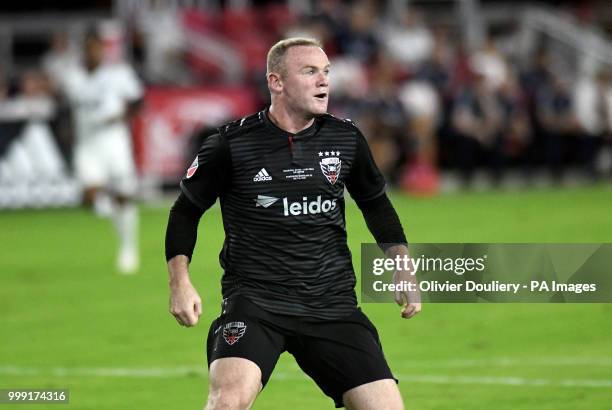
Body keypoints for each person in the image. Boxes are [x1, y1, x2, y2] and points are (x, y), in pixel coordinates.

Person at [165, 37, 420, 409]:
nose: (324, 81)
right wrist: (180, 283)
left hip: (332, 305)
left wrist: (402, 267)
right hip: (256, 304)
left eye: (327, 72)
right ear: (277, 82)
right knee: (227, 401)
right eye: (310, 71)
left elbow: (376, 205)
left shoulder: (345, 138)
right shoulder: (230, 144)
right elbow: (185, 211)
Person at [58, 29, 143, 273]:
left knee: (124, 195)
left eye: (98, 48)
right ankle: (107, 204)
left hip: (114, 142)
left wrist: (121, 117)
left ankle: (128, 248)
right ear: (84, 50)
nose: (94, 53)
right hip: (87, 144)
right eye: (90, 48)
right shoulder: (72, 77)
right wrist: (66, 130)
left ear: (103, 50)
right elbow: (66, 108)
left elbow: (138, 101)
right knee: (88, 195)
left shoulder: (119, 74)